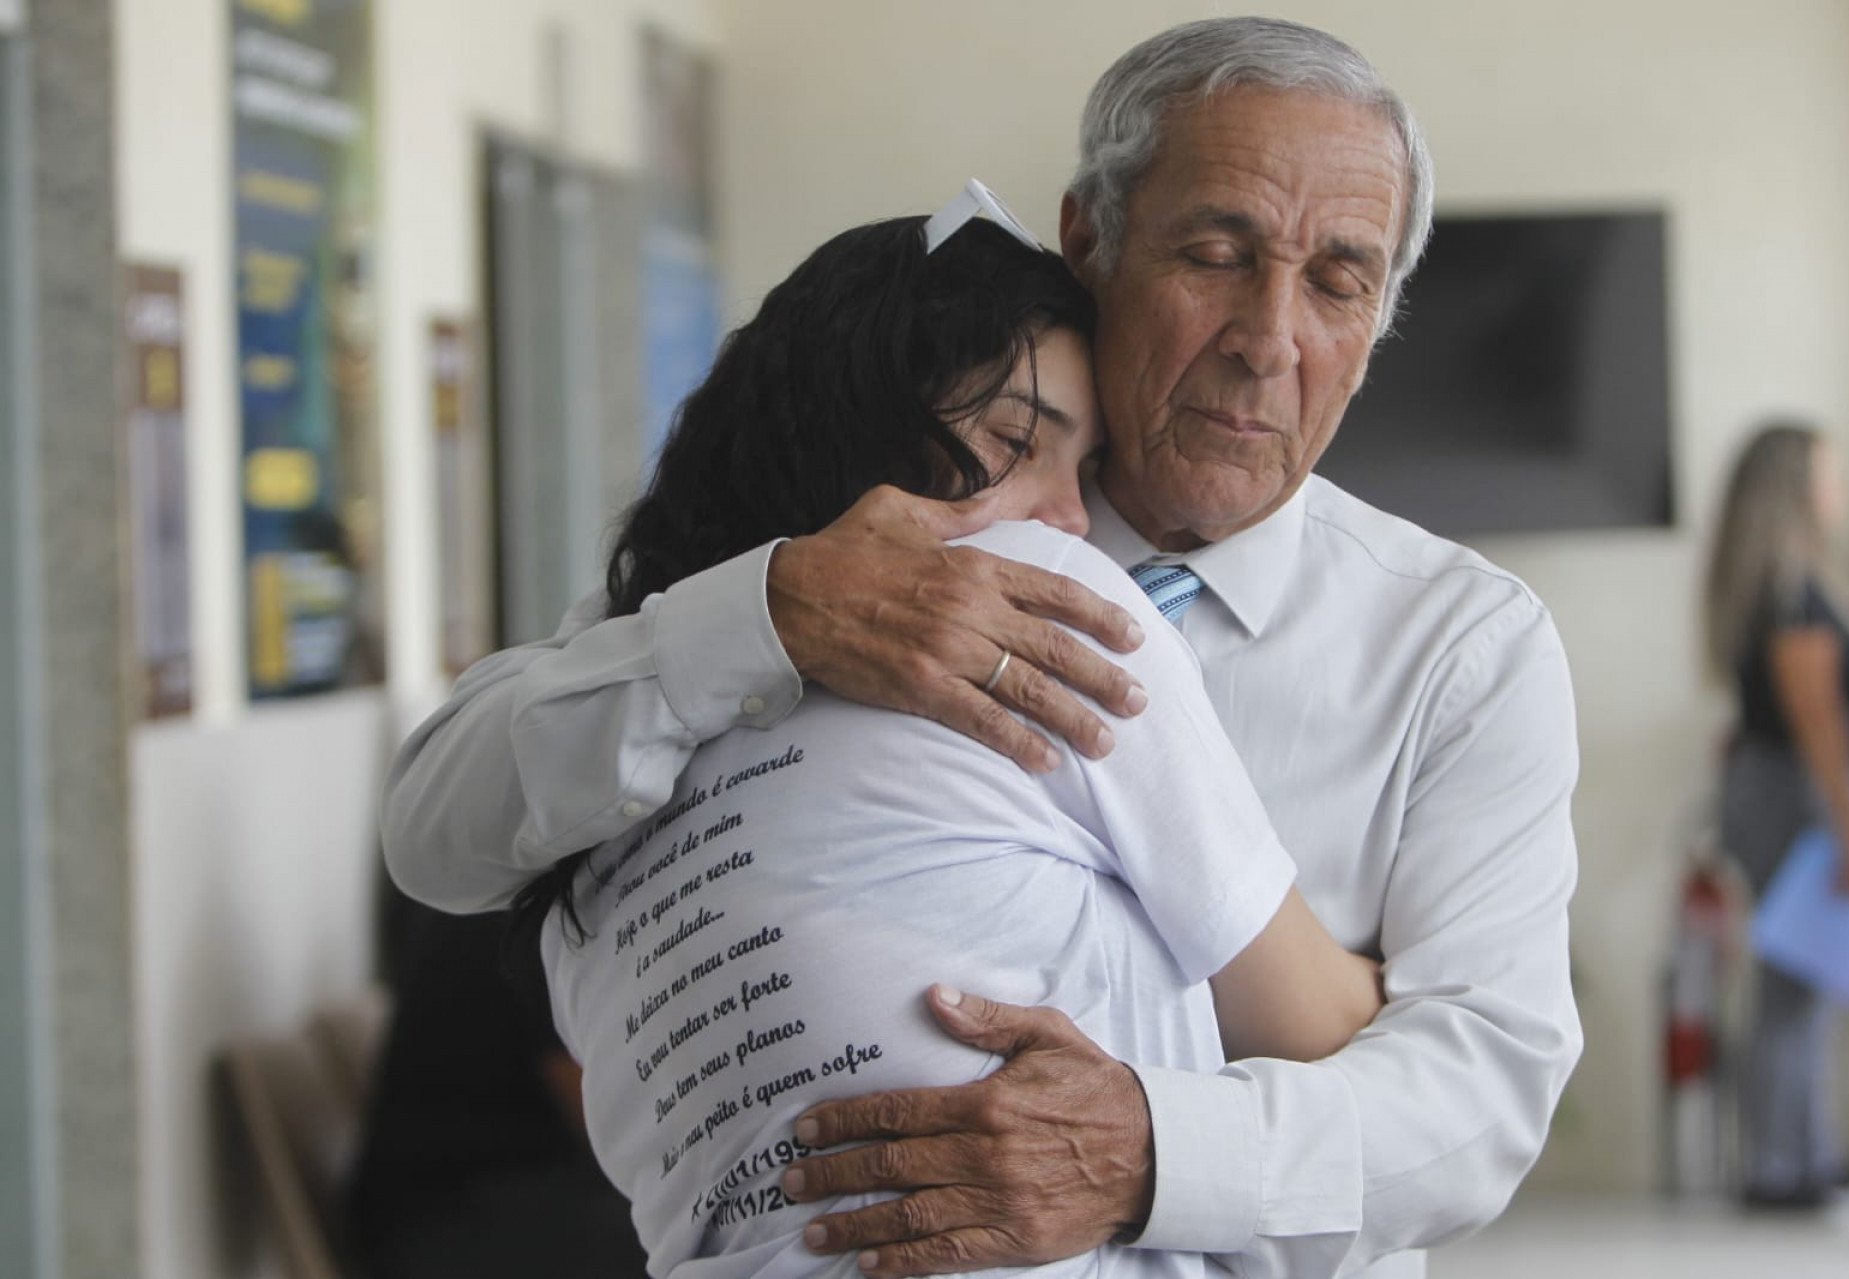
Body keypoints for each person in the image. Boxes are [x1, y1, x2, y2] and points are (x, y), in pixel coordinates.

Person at [382, 18, 1582, 1278]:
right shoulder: (854, 529)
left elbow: (1480, 1098)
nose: (1268, 336)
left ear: (1383, 317)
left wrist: (1147, 1152)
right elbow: (437, 835)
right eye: (1217, 254)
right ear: (1089, 244)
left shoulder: (1462, 647)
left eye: (1338, 281)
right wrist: (773, 612)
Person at [518, 212, 1384, 1279]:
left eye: (1088, 464)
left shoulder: (592, 813)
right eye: (1018, 442)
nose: (1069, 519)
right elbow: (1317, 1022)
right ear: (864, 421)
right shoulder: (1039, 599)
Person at [1704, 420, 1849, 1208]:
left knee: (1803, 989)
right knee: (1794, 991)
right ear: (1794, 489)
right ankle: (1782, 1168)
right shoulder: (1793, 590)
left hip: (1775, 792)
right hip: (1802, 799)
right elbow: (1818, 719)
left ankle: (1806, 1151)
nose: (1839, 489)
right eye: (1829, 474)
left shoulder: (1781, 586)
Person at [349, 887, 647, 1279]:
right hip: (435, 1221)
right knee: (674, 1244)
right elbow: (610, 1133)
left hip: (457, 1201)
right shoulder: (539, 927)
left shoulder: (501, 890)